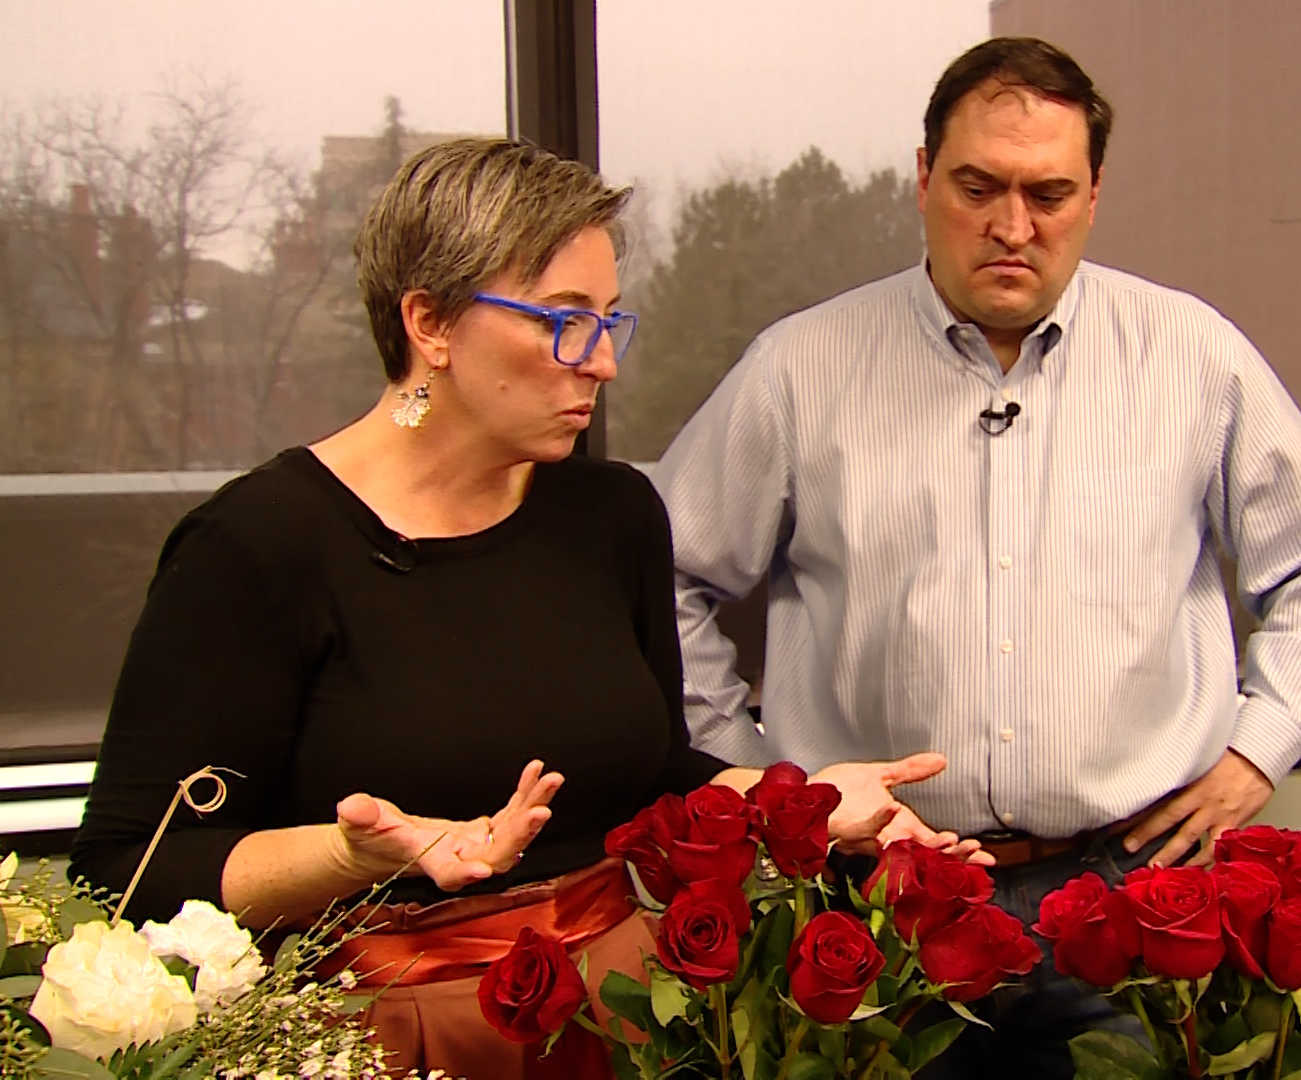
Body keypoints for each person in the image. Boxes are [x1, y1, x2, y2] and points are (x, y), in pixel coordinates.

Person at [69, 137, 981, 1080]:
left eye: (610, 324)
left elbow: (657, 776)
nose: (602, 365)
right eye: (562, 321)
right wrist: (355, 856)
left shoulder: (612, 513)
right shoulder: (259, 547)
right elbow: (126, 868)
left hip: (628, 1026)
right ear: (430, 323)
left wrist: (811, 804)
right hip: (392, 1043)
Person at [653, 37, 1301, 1077]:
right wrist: (770, 788)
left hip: (1128, 897)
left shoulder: (1192, 357)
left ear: (1093, 194)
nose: (1011, 225)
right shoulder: (801, 369)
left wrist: (1263, 744)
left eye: (1048, 192)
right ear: (921, 178)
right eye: (978, 186)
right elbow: (667, 579)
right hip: (882, 902)